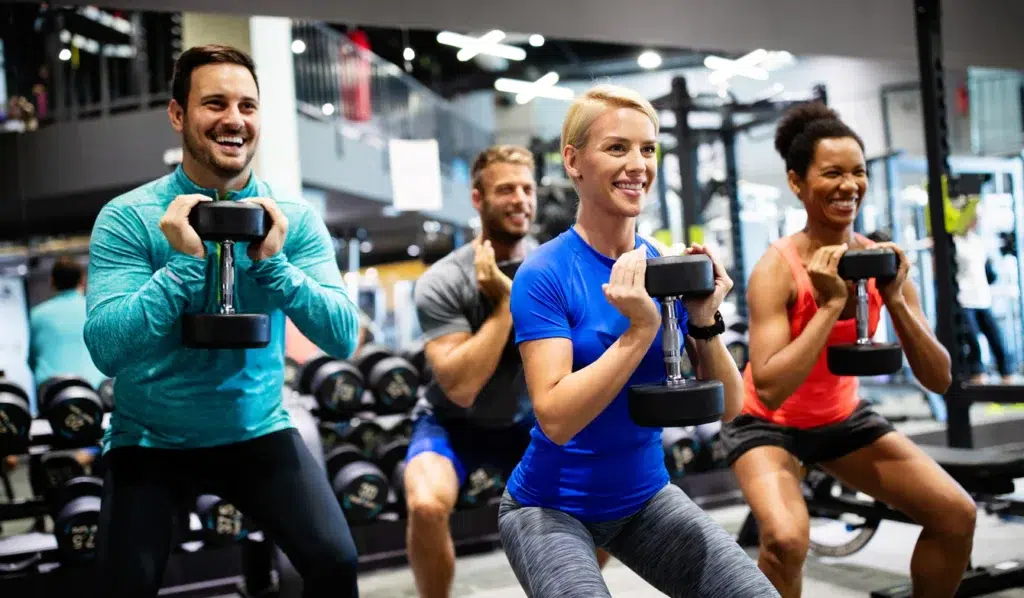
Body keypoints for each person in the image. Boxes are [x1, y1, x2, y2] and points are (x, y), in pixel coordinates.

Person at [84, 45, 362, 598]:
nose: (235, 119)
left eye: (248, 106)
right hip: (151, 440)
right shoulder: (128, 218)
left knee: (335, 561)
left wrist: (275, 266)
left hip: (255, 429)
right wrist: (183, 266)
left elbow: (342, 336)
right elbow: (106, 350)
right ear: (177, 114)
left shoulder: (293, 219)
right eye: (215, 103)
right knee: (124, 584)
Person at [499, 84, 777, 598]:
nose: (637, 164)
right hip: (550, 504)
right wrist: (640, 332)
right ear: (573, 160)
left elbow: (732, 404)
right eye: (617, 147)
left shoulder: (666, 267)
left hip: (644, 496)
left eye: (648, 149)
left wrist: (703, 318)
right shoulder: (544, 274)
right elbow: (556, 418)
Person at [718, 102, 977, 598]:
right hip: (765, 425)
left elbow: (940, 379)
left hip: (842, 419)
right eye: (832, 173)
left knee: (956, 514)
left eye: (857, 172)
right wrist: (828, 306)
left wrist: (896, 297)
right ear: (797, 182)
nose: (849, 185)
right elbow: (769, 388)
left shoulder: (879, 260)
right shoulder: (777, 269)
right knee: (786, 540)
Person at [404, 144, 611, 598]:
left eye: (526, 188)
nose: (520, 199)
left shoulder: (559, 266)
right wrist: (504, 306)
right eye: (505, 190)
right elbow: (459, 389)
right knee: (424, 503)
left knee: (608, 491)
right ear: (478, 200)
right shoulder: (444, 280)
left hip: (530, 421)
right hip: (453, 423)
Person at [29, 256, 106, 403]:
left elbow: (31, 361)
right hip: (97, 395)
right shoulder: (96, 310)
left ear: (52, 282)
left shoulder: (36, 314)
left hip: (52, 397)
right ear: (83, 281)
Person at [953, 210, 1014, 383]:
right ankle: (978, 381)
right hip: (964, 299)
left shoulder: (977, 242)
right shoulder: (954, 242)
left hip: (983, 298)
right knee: (973, 344)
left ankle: (1007, 380)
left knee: (997, 339)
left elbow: (988, 271)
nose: (975, 221)